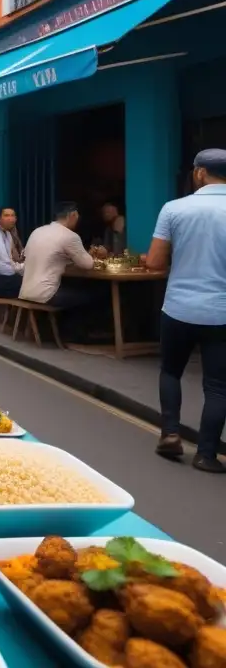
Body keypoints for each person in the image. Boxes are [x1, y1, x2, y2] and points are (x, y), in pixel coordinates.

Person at [147, 149, 226, 473]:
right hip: (221, 313)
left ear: (199, 173)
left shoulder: (174, 209)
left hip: (178, 307)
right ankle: (206, 455)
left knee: (171, 371)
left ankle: (171, 434)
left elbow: (154, 262)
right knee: (218, 386)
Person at [18, 202, 106, 339]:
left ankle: (66, 332)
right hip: (46, 294)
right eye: (77, 217)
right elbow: (88, 264)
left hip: (25, 290)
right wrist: (98, 254)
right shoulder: (70, 236)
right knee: (95, 295)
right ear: (73, 215)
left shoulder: (37, 231)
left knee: (75, 289)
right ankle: (80, 336)